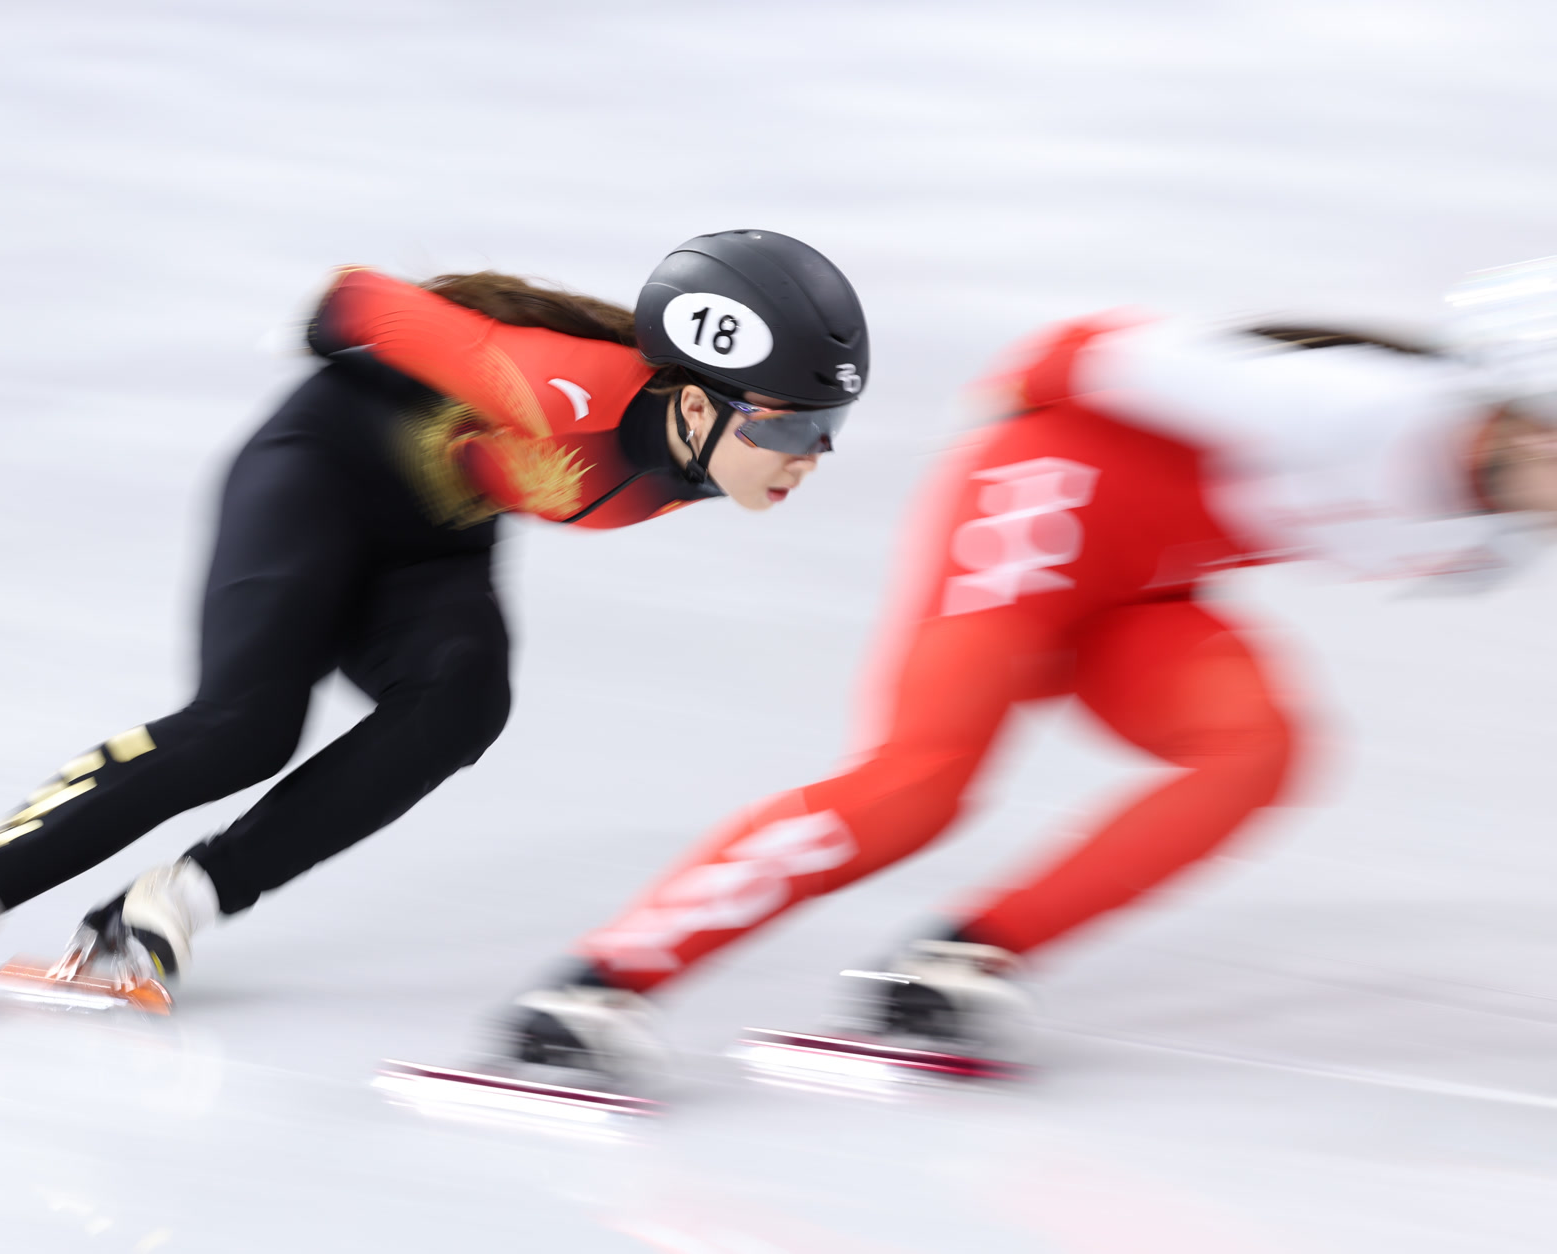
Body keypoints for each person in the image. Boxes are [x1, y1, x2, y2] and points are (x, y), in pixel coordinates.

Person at [490, 258, 1557, 1085]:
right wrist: (1007, 474)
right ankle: (598, 985)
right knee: (923, 781)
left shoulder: (1497, 532)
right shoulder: (1353, 404)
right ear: (1520, 414)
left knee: (1256, 750)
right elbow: (1081, 352)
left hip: (1142, 587)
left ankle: (960, 960)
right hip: (1041, 503)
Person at [0, 230, 871, 1023]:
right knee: (243, 730)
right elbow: (353, 302)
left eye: (832, 428)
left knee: (463, 702)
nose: (814, 456)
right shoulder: (559, 388)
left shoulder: (702, 456)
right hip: (314, 479)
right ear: (697, 404)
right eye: (795, 428)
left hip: (436, 536)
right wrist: (335, 347)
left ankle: (176, 901)